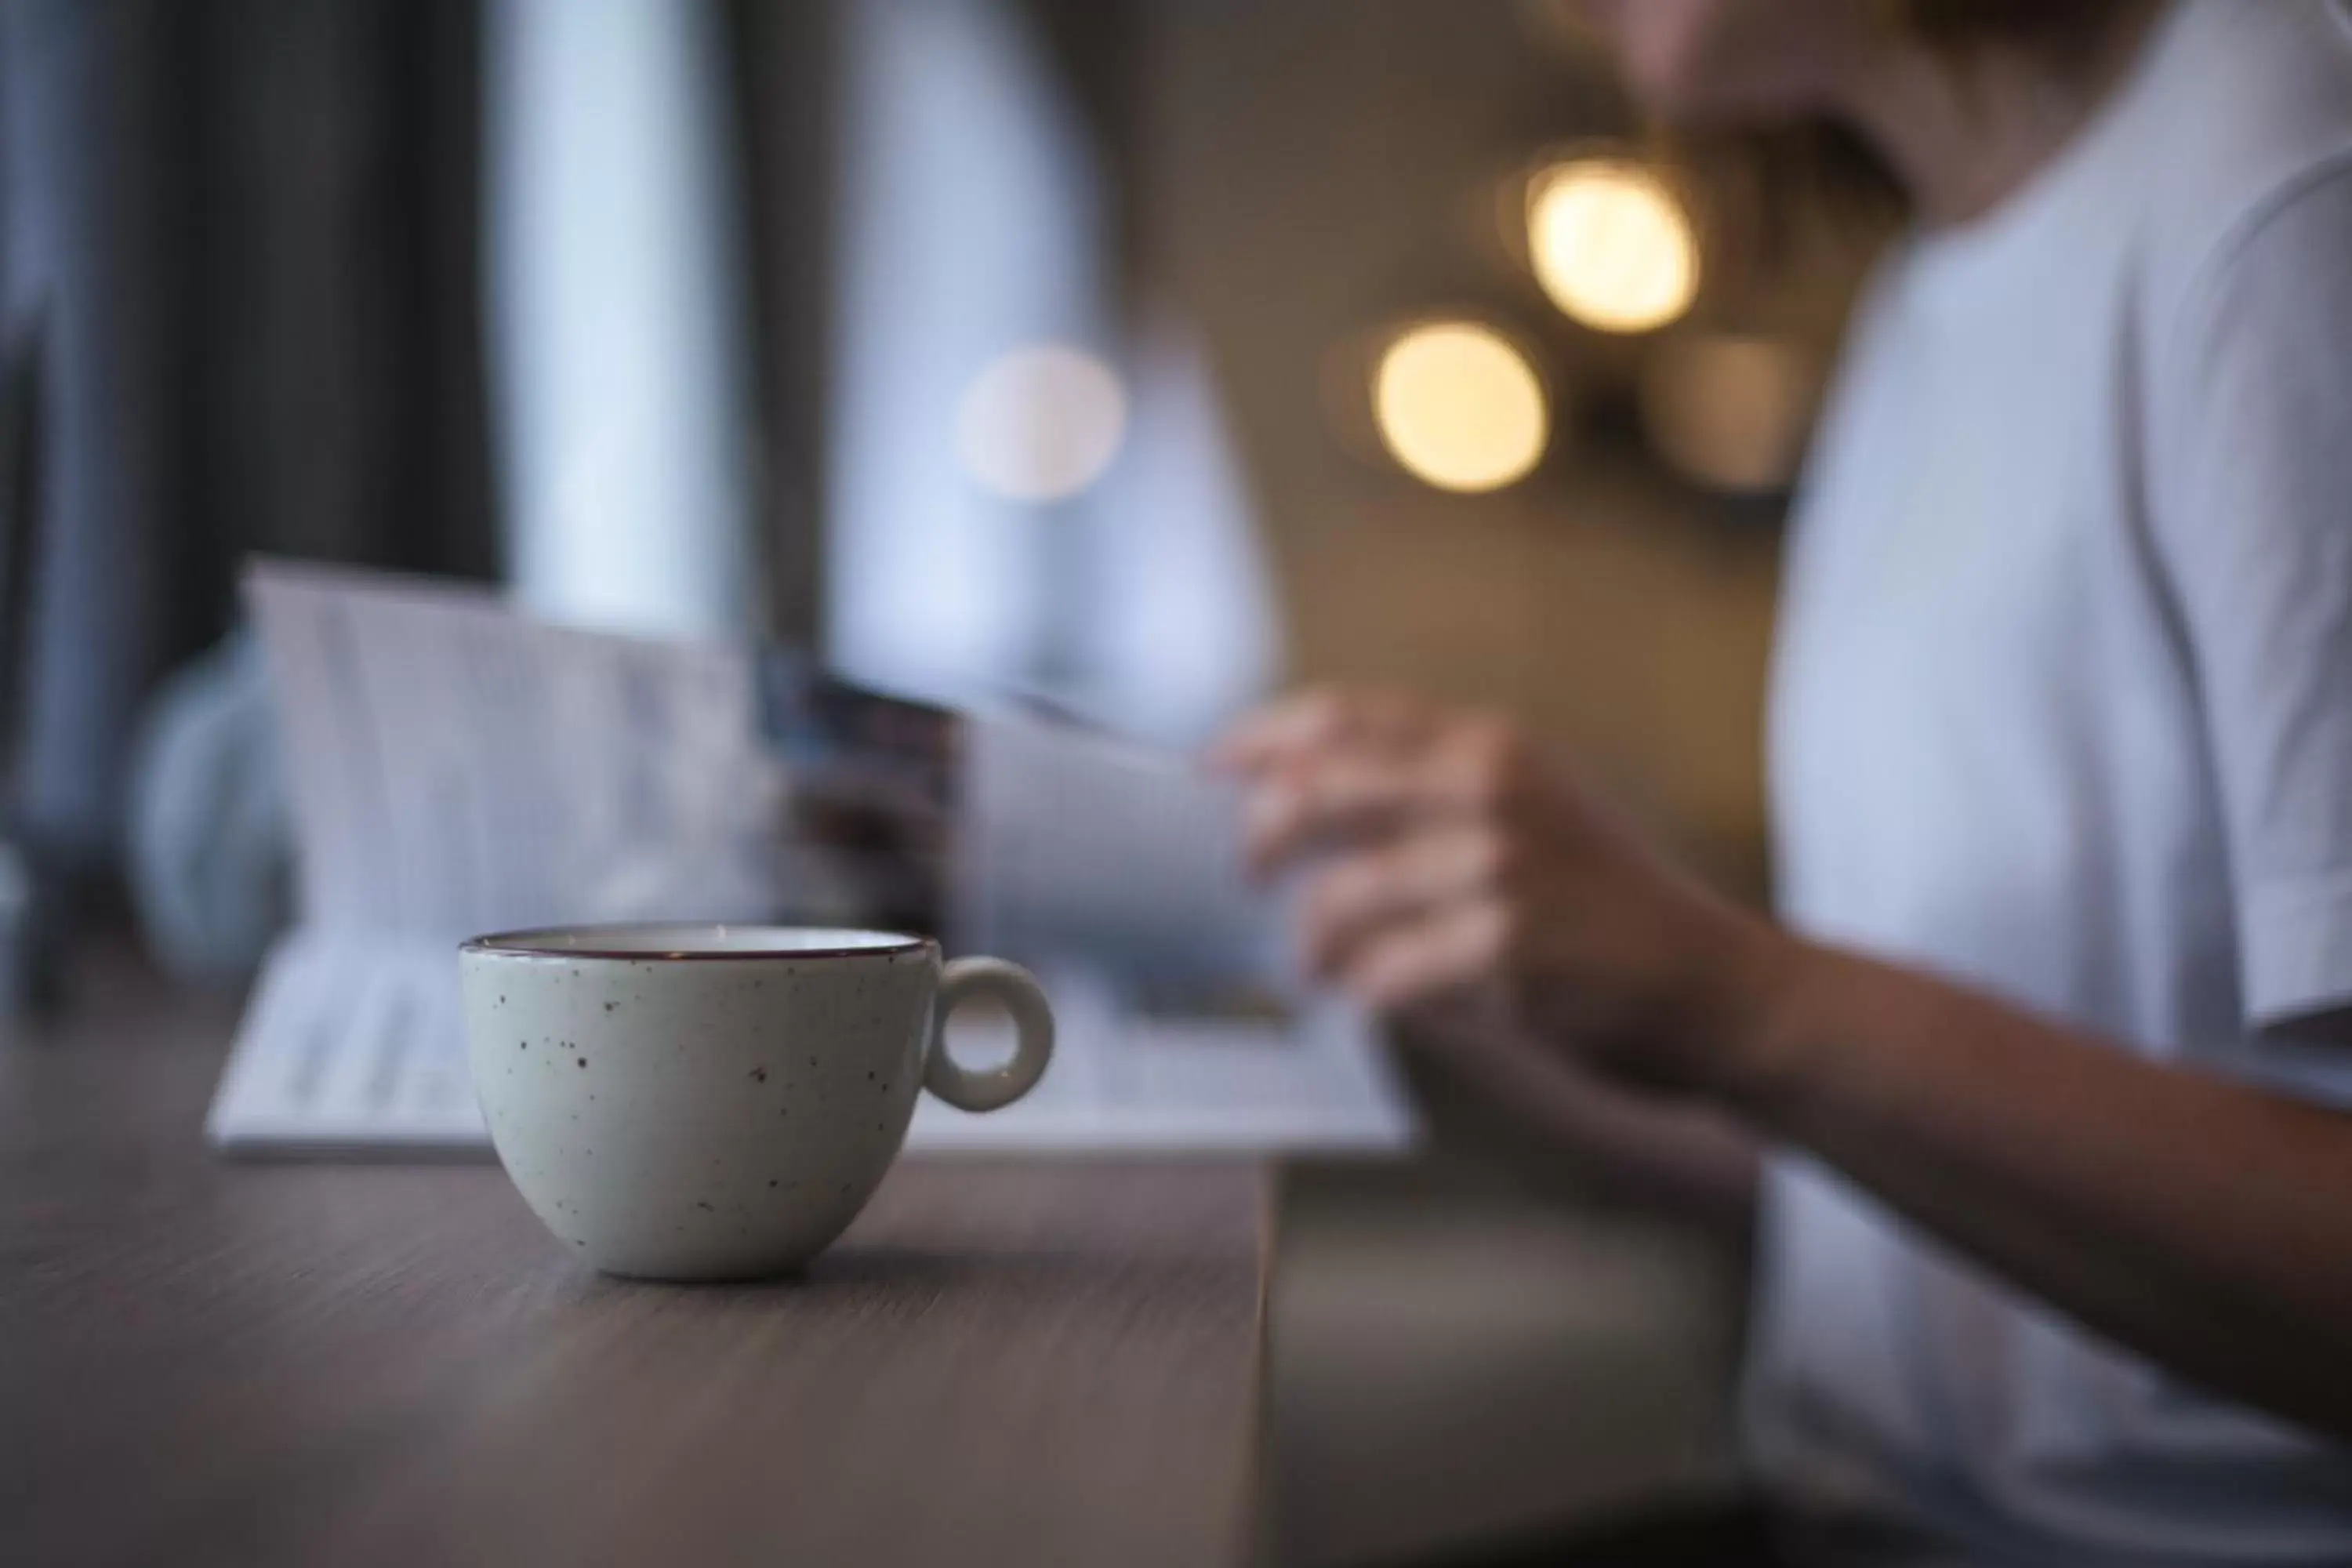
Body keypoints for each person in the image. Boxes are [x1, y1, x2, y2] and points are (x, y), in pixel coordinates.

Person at [1217, 2, 2352, 1563]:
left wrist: (1732, 992)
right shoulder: (1929, 288)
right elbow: (1898, 1161)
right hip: (1858, 1502)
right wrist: (1470, 967)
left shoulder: (2285, 198)